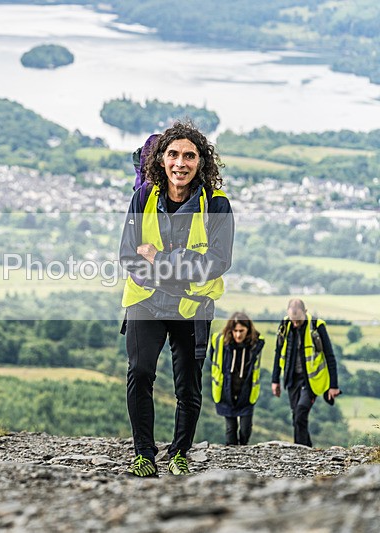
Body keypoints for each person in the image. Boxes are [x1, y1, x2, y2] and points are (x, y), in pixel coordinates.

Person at [119, 120, 234, 477]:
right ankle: (144, 453)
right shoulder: (143, 198)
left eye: (189, 155)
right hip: (147, 301)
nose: (180, 163)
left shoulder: (217, 206)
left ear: (201, 162)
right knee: (140, 372)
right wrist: (179, 270)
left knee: (187, 384)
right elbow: (127, 255)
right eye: (172, 154)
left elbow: (217, 263)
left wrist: (160, 259)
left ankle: (180, 452)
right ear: (161, 160)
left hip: (191, 307)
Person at [271, 298, 340, 447]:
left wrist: (333, 385)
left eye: (298, 321)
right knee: (297, 416)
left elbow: (329, 356)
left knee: (301, 412)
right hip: (291, 378)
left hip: (311, 381)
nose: (295, 324)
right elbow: (278, 352)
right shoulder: (284, 325)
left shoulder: (316, 326)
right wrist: (275, 380)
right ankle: (307, 449)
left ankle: (299, 450)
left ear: (305, 312)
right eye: (292, 320)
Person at [210, 312, 264, 446]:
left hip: (247, 392)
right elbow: (213, 358)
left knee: (246, 429)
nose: (238, 334)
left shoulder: (255, 345)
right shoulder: (221, 344)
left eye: (242, 331)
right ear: (230, 330)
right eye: (235, 331)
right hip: (226, 391)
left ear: (248, 330)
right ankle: (232, 457)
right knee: (230, 428)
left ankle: (243, 450)